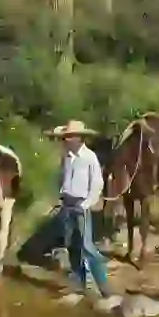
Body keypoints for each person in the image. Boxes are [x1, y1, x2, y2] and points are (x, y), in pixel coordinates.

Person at [46, 119, 115, 297]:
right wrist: (61, 196)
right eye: (65, 137)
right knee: (72, 246)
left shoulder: (90, 157)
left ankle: (104, 287)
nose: (65, 140)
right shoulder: (66, 157)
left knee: (87, 247)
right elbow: (63, 178)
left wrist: (85, 205)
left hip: (81, 205)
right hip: (67, 204)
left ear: (79, 138)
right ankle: (79, 283)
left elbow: (97, 184)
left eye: (69, 137)